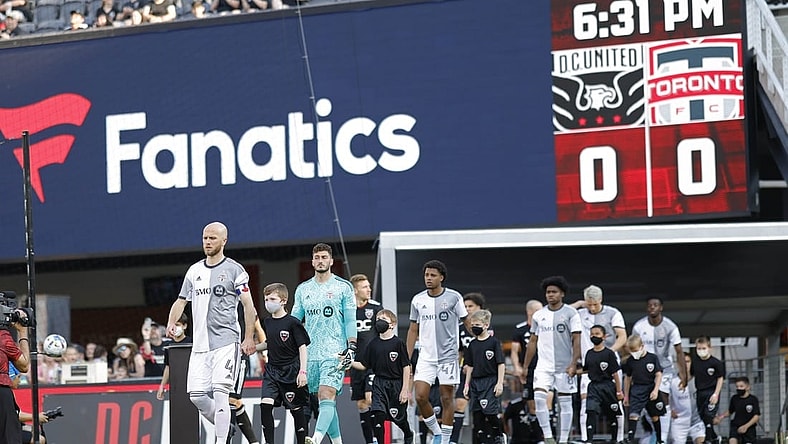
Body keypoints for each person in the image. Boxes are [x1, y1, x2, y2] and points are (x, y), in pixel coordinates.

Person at [165, 221, 258, 444]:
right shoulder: (194, 270)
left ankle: (220, 439)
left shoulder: (235, 269)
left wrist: (248, 337)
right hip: (200, 345)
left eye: (212, 238)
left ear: (224, 240)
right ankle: (226, 428)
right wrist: (170, 322)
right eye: (205, 238)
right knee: (196, 396)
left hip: (226, 343)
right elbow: (181, 300)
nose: (207, 242)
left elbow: (248, 306)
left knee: (220, 393)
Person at [291, 243, 357, 444]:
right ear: (312, 262)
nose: (320, 261)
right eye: (317, 257)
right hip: (310, 355)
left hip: (335, 352)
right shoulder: (303, 290)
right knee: (324, 402)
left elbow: (350, 320)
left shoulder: (343, 287)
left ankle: (316, 439)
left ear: (331, 261)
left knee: (326, 393)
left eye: (324, 257)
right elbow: (294, 322)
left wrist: (352, 347)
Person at [406, 260, 468, 444]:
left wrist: (481, 335)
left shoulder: (454, 297)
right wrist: (407, 359)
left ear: (441, 277)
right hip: (426, 357)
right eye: (426, 275)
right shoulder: (417, 300)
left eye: (433, 275)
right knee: (420, 396)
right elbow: (412, 330)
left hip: (448, 357)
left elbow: (467, 321)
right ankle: (437, 432)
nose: (429, 278)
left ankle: (445, 440)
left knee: (447, 398)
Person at [522, 276, 581, 444]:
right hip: (543, 366)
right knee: (539, 398)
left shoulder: (571, 313)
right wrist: (526, 366)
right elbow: (533, 341)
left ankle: (562, 439)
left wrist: (573, 363)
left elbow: (576, 340)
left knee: (565, 402)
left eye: (554, 292)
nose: (550, 295)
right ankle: (548, 437)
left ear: (562, 293)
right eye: (548, 292)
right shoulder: (539, 315)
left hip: (564, 365)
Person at [259, 283, 310, 444]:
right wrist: (252, 348)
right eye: (266, 299)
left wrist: (303, 371)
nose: (268, 302)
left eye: (272, 298)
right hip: (272, 371)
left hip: (291, 371)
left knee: (296, 410)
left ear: (283, 301)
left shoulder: (293, 323)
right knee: (265, 405)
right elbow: (270, 342)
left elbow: (302, 347)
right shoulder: (267, 322)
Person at [631, 298, 687, 444]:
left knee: (662, 399)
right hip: (643, 370)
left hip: (664, 369)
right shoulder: (639, 326)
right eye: (649, 305)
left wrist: (684, 375)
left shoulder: (670, 327)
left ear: (661, 307)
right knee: (646, 405)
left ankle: (661, 438)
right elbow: (631, 346)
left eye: (655, 305)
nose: (652, 308)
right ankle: (653, 435)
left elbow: (679, 351)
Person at [354, 309, 414, 444]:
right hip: (379, 383)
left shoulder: (398, 343)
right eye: (377, 319)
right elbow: (364, 365)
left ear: (392, 324)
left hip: (396, 385)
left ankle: (408, 434)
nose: (379, 322)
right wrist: (349, 363)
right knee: (377, 415)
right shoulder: (373, 344)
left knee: (399, 418)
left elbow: (406, 367)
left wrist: (405, 389)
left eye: (383, 319)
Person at [576, 285, 626, 444]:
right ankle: (586, 438)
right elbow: (559, 312)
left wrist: (607, 352)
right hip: (589, 365)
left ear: (601, 300)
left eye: (595, 304)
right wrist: (578, 304)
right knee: (586, 402)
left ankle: (618, 438)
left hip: (608, 365)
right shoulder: (580, 313)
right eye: (589, 304)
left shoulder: (613, 313)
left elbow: (622, 336)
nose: (592, 307)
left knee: (615, 404)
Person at [349, 273, 384, 444]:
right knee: (362, 404)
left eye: (369, 286)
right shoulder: (347, 311)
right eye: (364, 287)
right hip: (355, 363)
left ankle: (379, 439)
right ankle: (370, 441)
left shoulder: (376, 308)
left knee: (371, 399)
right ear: (355, 290)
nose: (369, 289)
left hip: (373, 364)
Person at [462, 309, 506, 444]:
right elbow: (469, 365)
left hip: (490, 381)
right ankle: (480, 439)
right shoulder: (472, 344)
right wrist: (466, 385)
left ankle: (499, 435)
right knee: (477, 414)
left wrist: (499, 383)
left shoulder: (493, 342)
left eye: (478, 325)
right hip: (475, 382)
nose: (474, 327)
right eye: (472, 325)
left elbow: (501, 364)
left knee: (490, 412)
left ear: (486, 325)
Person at [452, 292, 488, 444]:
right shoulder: (460, 328)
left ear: (480, 307)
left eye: (471, 306)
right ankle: (453, 440)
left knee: (482, 409)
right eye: (465, 307)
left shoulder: (487, 327)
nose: (467, 309)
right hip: (465, 374)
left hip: (485, 374)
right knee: (459, 404)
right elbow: (459, 352)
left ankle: (487, 438)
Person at [579, 325, 623, 444]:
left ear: (604, 337)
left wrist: (619, 391)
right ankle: (589, 439)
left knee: (612, 413)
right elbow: (586, 369)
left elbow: (615, 373)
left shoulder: (609, 353)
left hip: (608, 386)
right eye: (592, 334)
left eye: (597, 334)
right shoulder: (589, 353)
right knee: (591, 410)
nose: (594, 336)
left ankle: (615, 439)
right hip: (593, 386)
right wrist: (574, 371)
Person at [622, 334, 665, 444]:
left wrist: (655, 390)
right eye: (631, 351)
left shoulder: (652, 358)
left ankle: (659, 439)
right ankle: (630, 439)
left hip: (650, 387)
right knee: (633, 414)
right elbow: (627, 378)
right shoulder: (630, 361)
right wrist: (626, 395)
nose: (634, 353)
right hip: (637, 388)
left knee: (655, 416)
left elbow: (658, 374)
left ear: (642, 346)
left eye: (635, 350)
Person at [512, 299, 545, 442]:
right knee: (532, 406)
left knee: (545, 402)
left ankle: (547, 436)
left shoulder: (546, 328)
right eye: (539, 310)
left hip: (545, 369)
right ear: (530, 312)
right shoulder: (520, 329)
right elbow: (514, 351)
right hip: (529, 371)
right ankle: (538, 438)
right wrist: (517, 367)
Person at [0, 308, 30, 443]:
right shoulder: (2, 336)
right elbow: (24, 366)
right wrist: (23, 331)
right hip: (1, 392)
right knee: (9, 437)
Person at [691, 336, 724, 444]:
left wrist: (716, 394)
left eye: (703, 348)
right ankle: (714, 437)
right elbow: (691, 375)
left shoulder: (716, 363)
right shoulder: (695, 362)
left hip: (711, 391)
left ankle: (708, 439)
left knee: (708, 414)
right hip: (700, 392)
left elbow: (720, 378)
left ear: (709, 348)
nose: (701, 351)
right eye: (699, 348)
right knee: (703, 417)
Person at [669, 353, 705, 444]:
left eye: (688, 362)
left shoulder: (698, 380)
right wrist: (670, 410)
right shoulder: (672, 381)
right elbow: (664, 398)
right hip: (679, 421)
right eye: (683, 362)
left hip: (696, 421)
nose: (685, 364)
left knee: (701, 441)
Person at [157, 312, 192, 400]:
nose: (175, 328)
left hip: (192, 383)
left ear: (184, 326)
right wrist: (162, 386)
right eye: (173, 325)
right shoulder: (169, 346)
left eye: (178, 325)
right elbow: (168, 367)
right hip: (176, 385)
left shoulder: (192, 343)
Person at [714, 377, 760, 444]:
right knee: (732, 440)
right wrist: (721, 417)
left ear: (747, 387)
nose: (739, 388)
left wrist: (746, 426)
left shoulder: (753, 399)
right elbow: (730, 411)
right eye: (737, 386)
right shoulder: (734, 398)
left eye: (741, 386)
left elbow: (756, 416)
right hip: (736, 426)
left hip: (749, 428)